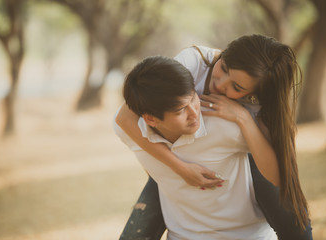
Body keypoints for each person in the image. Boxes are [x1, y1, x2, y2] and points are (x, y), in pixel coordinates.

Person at [115, 34, 312, 239]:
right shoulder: (194, 61)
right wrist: (179, 168)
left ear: (254, 94)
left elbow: (277, 175)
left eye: (236, 87)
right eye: (224, 68)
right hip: (174, 152)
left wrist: (243, 117)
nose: (220, 84)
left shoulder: (260, 106)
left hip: (246, 148)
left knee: (293, 218)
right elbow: (124, 118)